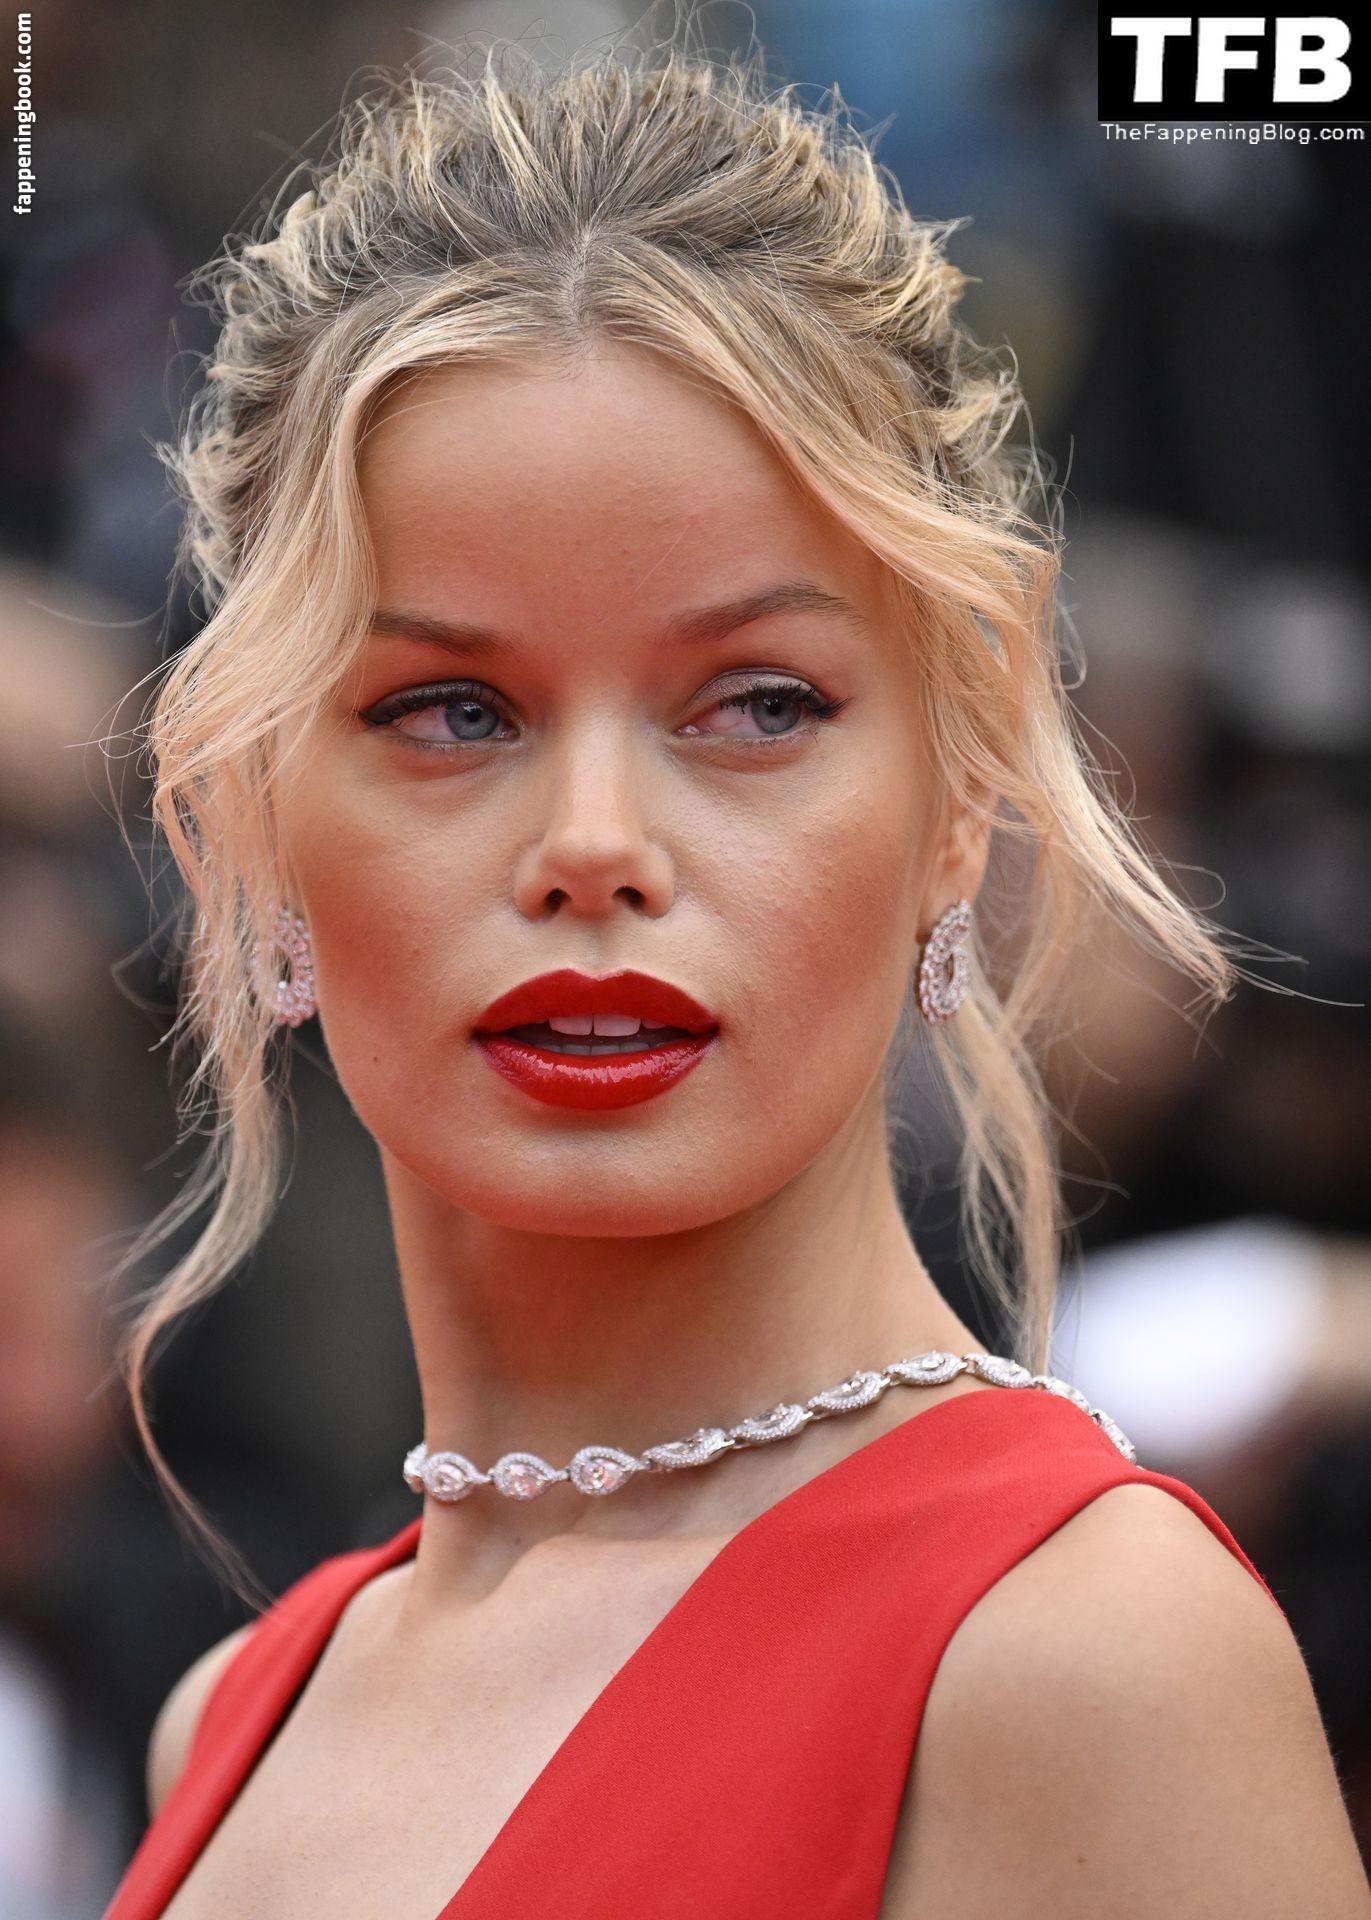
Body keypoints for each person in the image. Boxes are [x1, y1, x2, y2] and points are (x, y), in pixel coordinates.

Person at [100, 39, 1370, 1920]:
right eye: (449, 711)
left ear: (960, 791)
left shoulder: (1082, 1662)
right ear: (243, 811)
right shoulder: (230, 1721)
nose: (594, 845)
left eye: (759, 706)